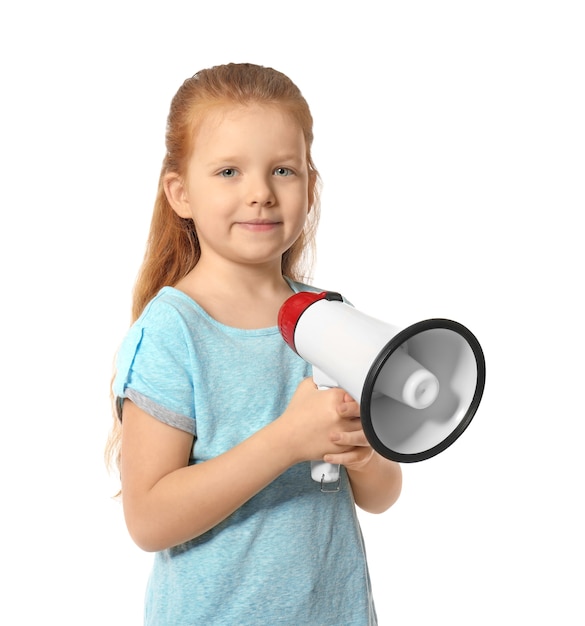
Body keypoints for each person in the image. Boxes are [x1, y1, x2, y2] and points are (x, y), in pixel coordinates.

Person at [105, 62, 402, 626]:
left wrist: (362, 454)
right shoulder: (173, 332)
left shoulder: (331, 317)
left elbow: (383, 494)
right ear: (180, 192)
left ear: (309, 187)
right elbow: (148, 519)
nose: (260, 193)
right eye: (228, 172)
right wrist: (289, 441)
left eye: (283, 171)